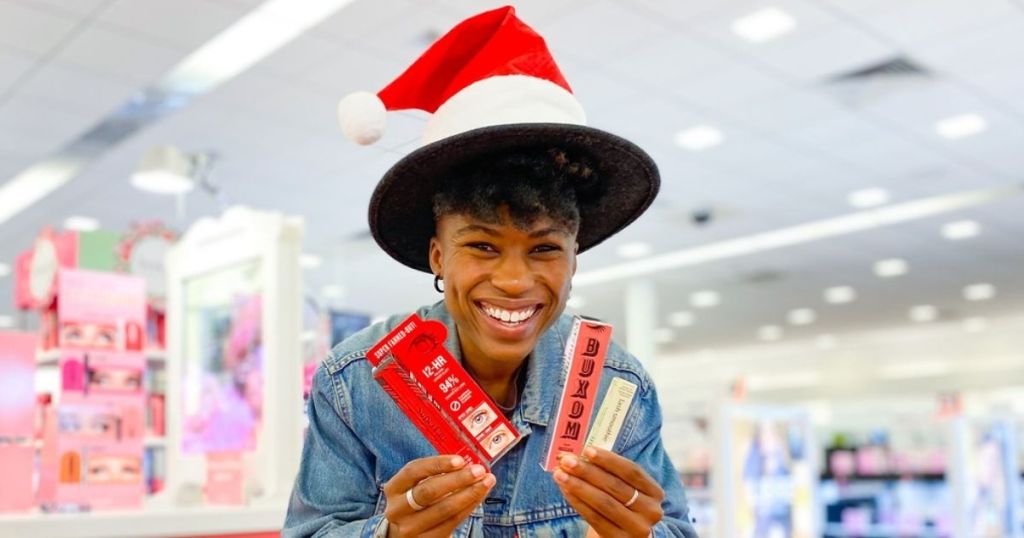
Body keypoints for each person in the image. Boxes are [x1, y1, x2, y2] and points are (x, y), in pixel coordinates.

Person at [283, 6, 698, 538]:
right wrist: (385, 535)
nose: (514, 281)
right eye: (482, 245)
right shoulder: (357, 383)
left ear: (574, 259)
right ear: (437, 256)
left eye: (545, 249)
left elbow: (676, 526)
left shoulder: (617, 386)